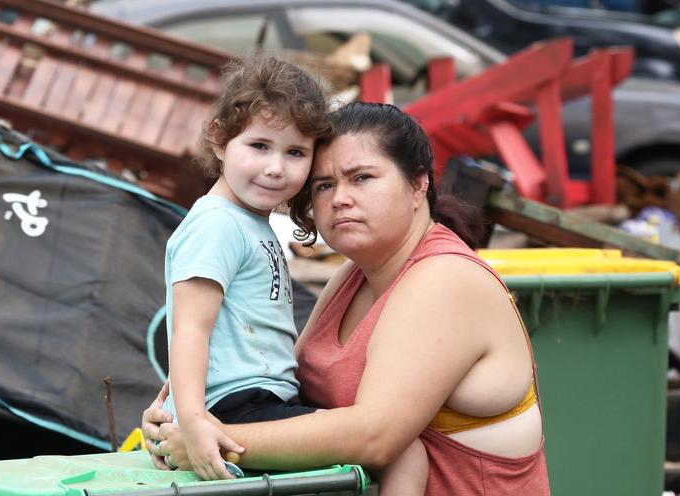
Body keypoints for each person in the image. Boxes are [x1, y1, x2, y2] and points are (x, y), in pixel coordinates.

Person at [145, 102, 550, 495]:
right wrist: (184, 413)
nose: (340, 198)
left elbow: (376, 438)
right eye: (324, 185)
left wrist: (209, 439)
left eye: (361, 178)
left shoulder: (445, 278)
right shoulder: (352, 277)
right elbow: (286, 392)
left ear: (417, 184)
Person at [161, 55, 429, 495]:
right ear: (219, 139)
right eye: (259, 146)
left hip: (255, 400)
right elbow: (191, 327)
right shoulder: (216, 224)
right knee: (405, 452)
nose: (275, 168)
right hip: (233, 407)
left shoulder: (248, 222)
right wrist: (192, 421)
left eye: (295, 153)